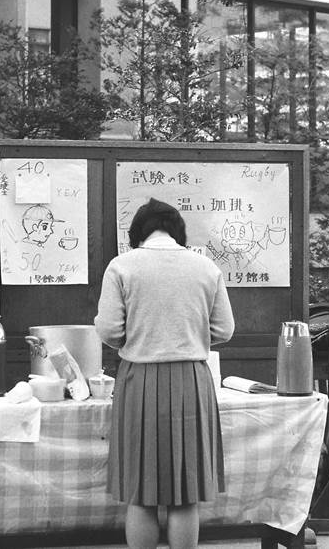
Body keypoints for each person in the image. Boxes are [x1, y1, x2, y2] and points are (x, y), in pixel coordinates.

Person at [94, 198, 235, 549]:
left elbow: (110, 331)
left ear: (137, 233)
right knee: (184, 493)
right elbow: (225, 330)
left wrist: (139, 336)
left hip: (138, 380)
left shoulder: (121, 266)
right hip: (191, 381)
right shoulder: (205, 267)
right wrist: (190, 336)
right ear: (178, 232)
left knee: (141, 493)